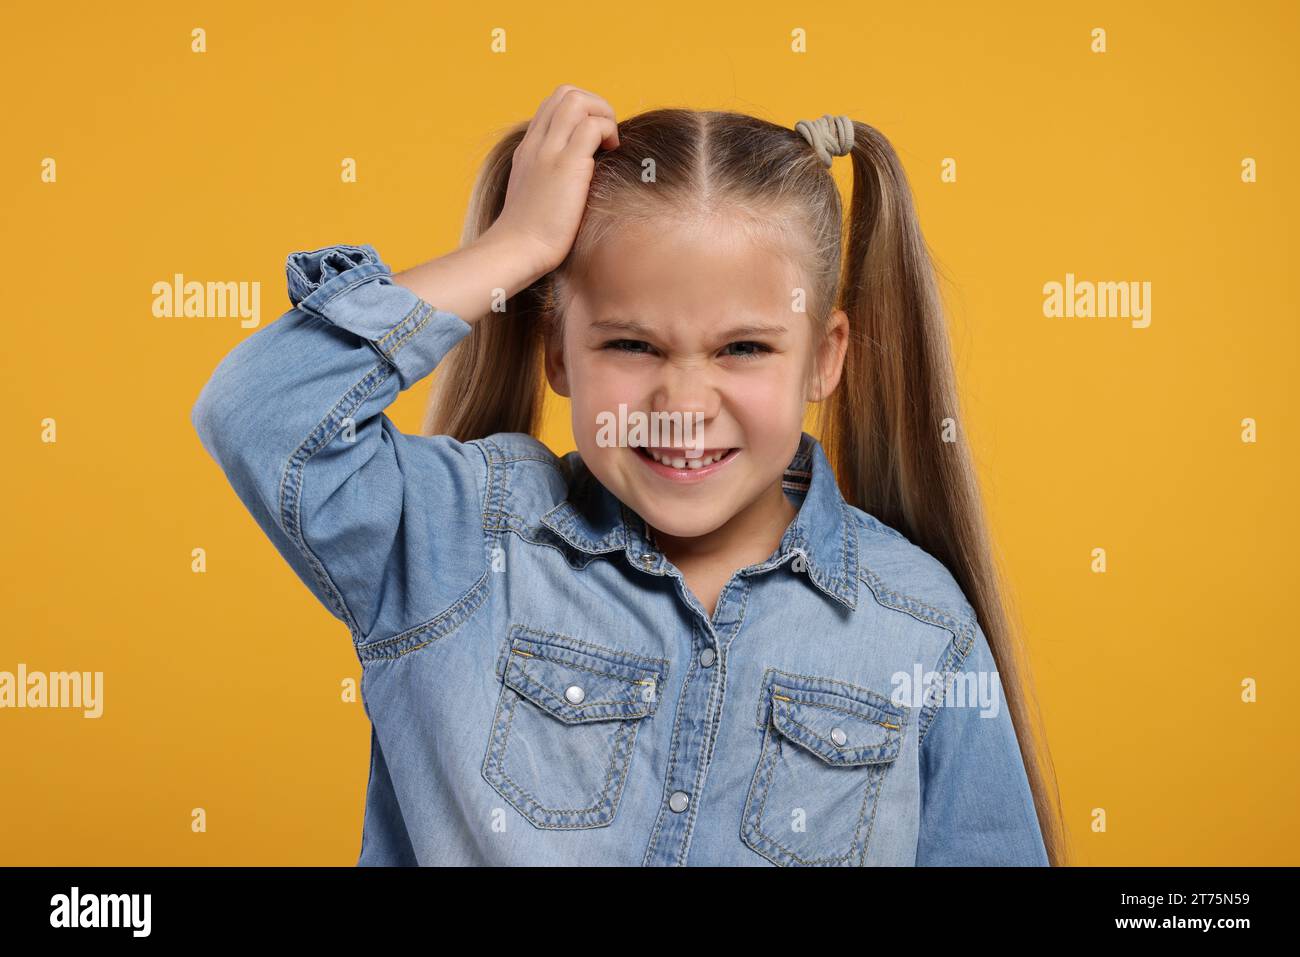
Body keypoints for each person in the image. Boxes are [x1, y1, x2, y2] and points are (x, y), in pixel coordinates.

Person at [191, 84, 1067, 866]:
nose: (683, 400)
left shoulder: (917, 624)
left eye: (744, 348)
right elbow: (260, 413)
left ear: (822, 360)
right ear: (557, 351)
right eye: (631, 343)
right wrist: (516, 247)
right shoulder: (461, 542)